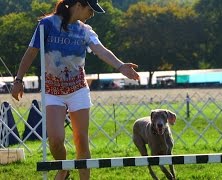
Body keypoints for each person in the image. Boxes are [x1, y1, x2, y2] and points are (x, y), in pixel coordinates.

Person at [11, 0, 140, 179]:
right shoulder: (46, 25)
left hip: (78, 89)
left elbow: (101, 51)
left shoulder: (85, 31)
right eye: (90, 9)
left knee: (81, 140)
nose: (92, 14)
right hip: (53, 90)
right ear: (78, 5)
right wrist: (18, 80)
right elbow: (31, 52)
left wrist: (120, 66)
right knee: (55, 140)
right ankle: (63, 169)